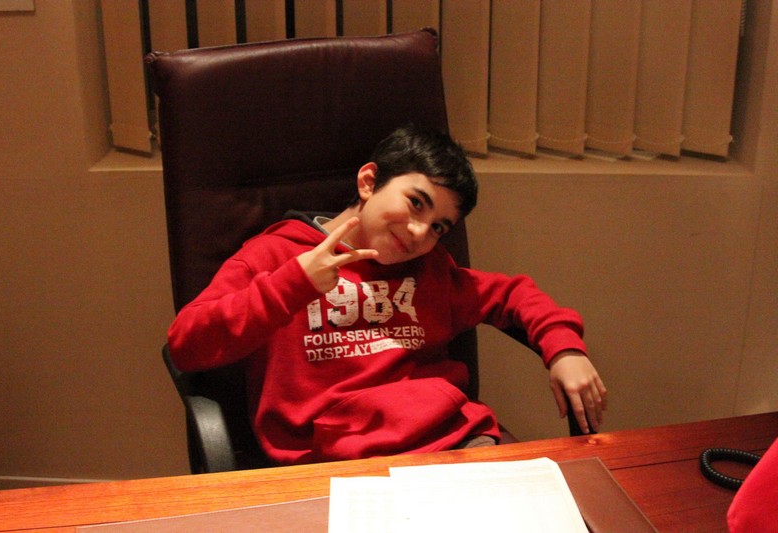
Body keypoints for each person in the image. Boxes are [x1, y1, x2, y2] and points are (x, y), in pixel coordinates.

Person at [168, 124, 607, 465]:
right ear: (368, 181)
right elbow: (186, 344)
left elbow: (512, 294)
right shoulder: (276, 255)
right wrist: (293, 284)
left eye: (438, 227)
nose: (419, 232)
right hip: (333, 464)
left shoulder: (430, 270)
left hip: (453, 444)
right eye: (416, 203)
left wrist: (565, 349)